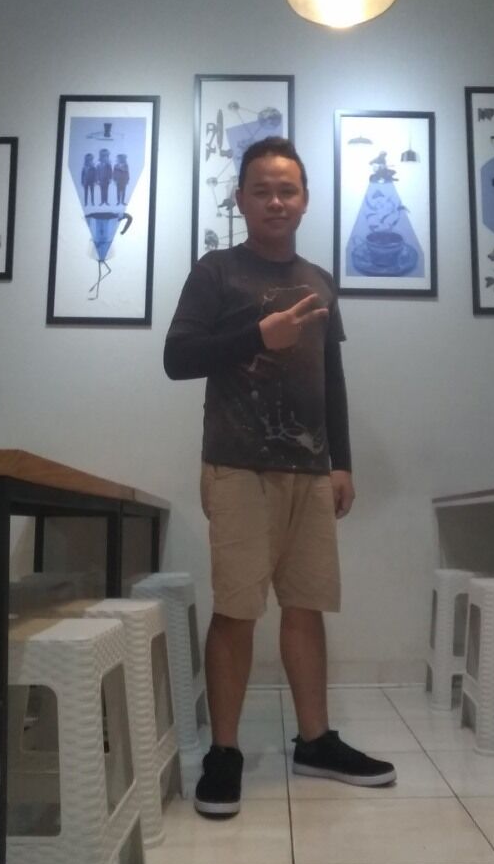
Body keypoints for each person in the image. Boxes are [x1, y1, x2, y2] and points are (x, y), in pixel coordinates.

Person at [164, 136, 396, 817]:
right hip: (238, 466)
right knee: (237, 608)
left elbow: (332, 376)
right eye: (261, 190)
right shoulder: (216, 271)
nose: (275, 200)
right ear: (239, 200)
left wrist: (342, 461)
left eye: (286, 189)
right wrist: (257, 337)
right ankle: (225, 751)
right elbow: (177, 358)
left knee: (306, 605)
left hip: (310, 470)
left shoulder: (321, 281)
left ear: (305, 200)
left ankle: (316, 741)